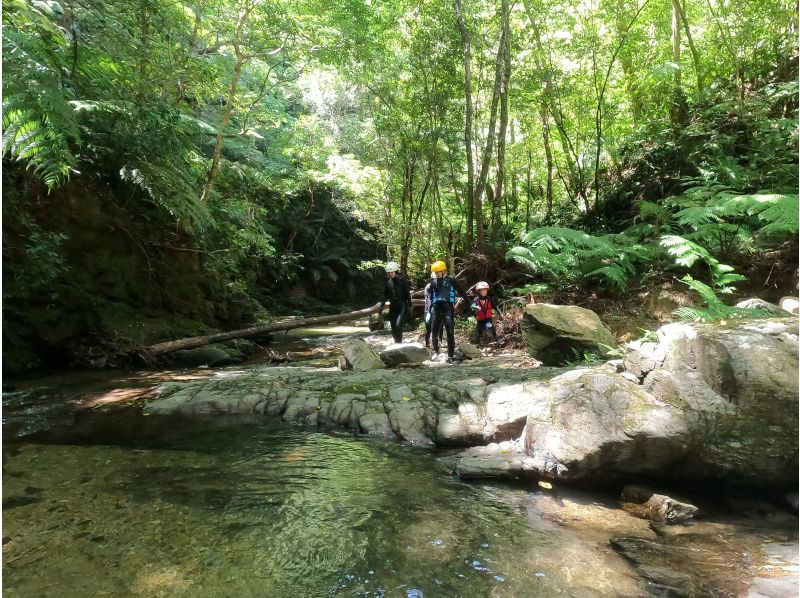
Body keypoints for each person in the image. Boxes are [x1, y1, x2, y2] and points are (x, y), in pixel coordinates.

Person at [429, 260, 469, 364]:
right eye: (435, 273)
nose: (436, 274)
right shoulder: (433, 282)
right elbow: (430, 297)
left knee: (450, 332)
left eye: (438, 272)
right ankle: (437, 352)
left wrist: (470, 303)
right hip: (436, 308)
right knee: (434, 333)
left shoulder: (451, 280)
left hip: (448, 309)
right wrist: (428, 311)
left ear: (443, 271)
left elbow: (462, 292)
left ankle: (450, 355)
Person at [380, 261, 412, 343]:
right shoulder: (387, 281)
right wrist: (382, 305)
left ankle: (399, 343)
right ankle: (396, 343)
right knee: (393, 327)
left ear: (395, 271)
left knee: (398, 325)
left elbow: (407, 293)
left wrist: (410, 305)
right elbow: (385, 294)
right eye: (389, 272)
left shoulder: (402, 280)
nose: (390, 274)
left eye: (392, 272)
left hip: (402, 306)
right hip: (393, 306)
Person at [471, 281, 503, 347]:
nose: (485, 292)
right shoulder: (476, 299)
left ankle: (497, 339)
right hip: (480, 319)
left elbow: (495, 306)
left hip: (488, 318)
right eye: (483, 290)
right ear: (479, 291)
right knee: (478, 332)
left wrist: (500, 313)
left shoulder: (489, 299)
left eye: (485, 290)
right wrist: (475, 307)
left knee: (491, 327)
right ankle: (477, 344)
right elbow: (472, 305)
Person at [423, 272, 443, 348]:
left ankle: (439, 342)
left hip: (439, 309)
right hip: (428, 309)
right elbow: (428, 300)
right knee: (428, 328)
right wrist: (428, 312)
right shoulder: (428, 287)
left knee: (440, 326)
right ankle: (427, 343)